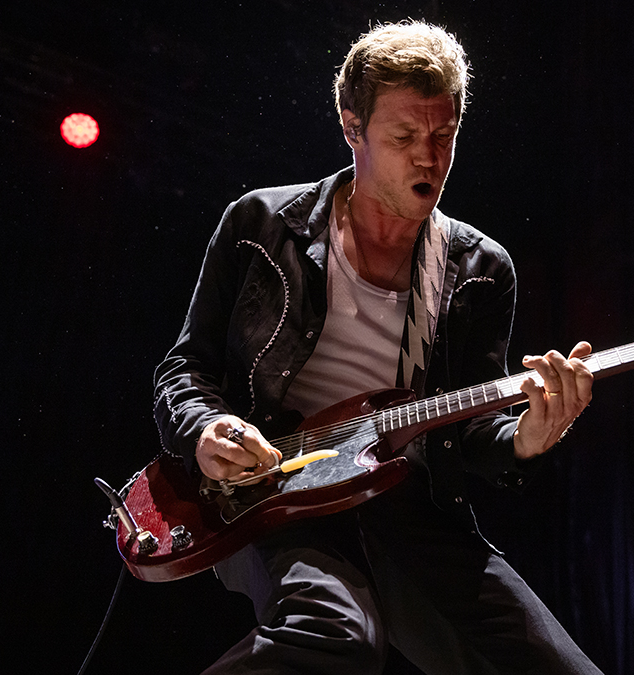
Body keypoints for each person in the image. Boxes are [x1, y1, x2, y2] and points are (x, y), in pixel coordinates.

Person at [153, 20, 602, 674]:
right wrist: (208, 429)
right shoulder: (258, 225)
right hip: (274, 491)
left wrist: (528, 437)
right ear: (351, 128)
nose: (429, 157)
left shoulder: (481, 269)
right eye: (403, 136)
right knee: (336, 632)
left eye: (444, 135)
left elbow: (474, 428)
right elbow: (183, 369)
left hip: (412, 510)